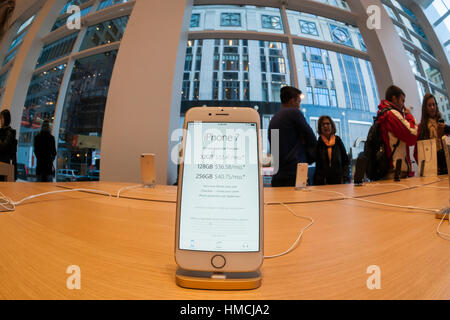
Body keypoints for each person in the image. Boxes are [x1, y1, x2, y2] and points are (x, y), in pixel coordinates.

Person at [268, 86, 317, 187]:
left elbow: (274, 148)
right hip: (294, 174)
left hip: (278, 175)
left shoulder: (273, 119)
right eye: (298, 102)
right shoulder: (294, 112)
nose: (299, 106)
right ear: (292, 101)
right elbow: (311, 138)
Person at [377, 85, 418, 179]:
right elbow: (412, 136)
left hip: (391, 171)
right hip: (396, 172)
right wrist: (409, 117)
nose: (403, 105)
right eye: (402, 100)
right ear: (394, 99)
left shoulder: (383, 113)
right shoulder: (392, 114)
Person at [415, 93, 450, 175]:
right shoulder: (421, 127)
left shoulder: (442, 124)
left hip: (445, 166)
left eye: (434, 104)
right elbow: (417, 152)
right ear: (425, 108)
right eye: (429, 105)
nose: (432, 107)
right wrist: (426, 168)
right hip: (431, 170)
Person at [314, 116, 349, 185]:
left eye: (328, 124)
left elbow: (346, 161)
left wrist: (344, 177)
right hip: (323, 183)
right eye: (323, 124)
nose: (325, 126)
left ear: (332, 126)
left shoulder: (338, 141)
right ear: (320, 128)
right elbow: (318, 166)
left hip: (339, 182)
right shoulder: (318, 143)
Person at [0, 109, 17, 180]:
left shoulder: (11, 132)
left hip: (5, 164)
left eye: (1, 118)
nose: (0, 120)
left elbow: (4, 146)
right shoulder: (1, 131)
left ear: (6, 118)